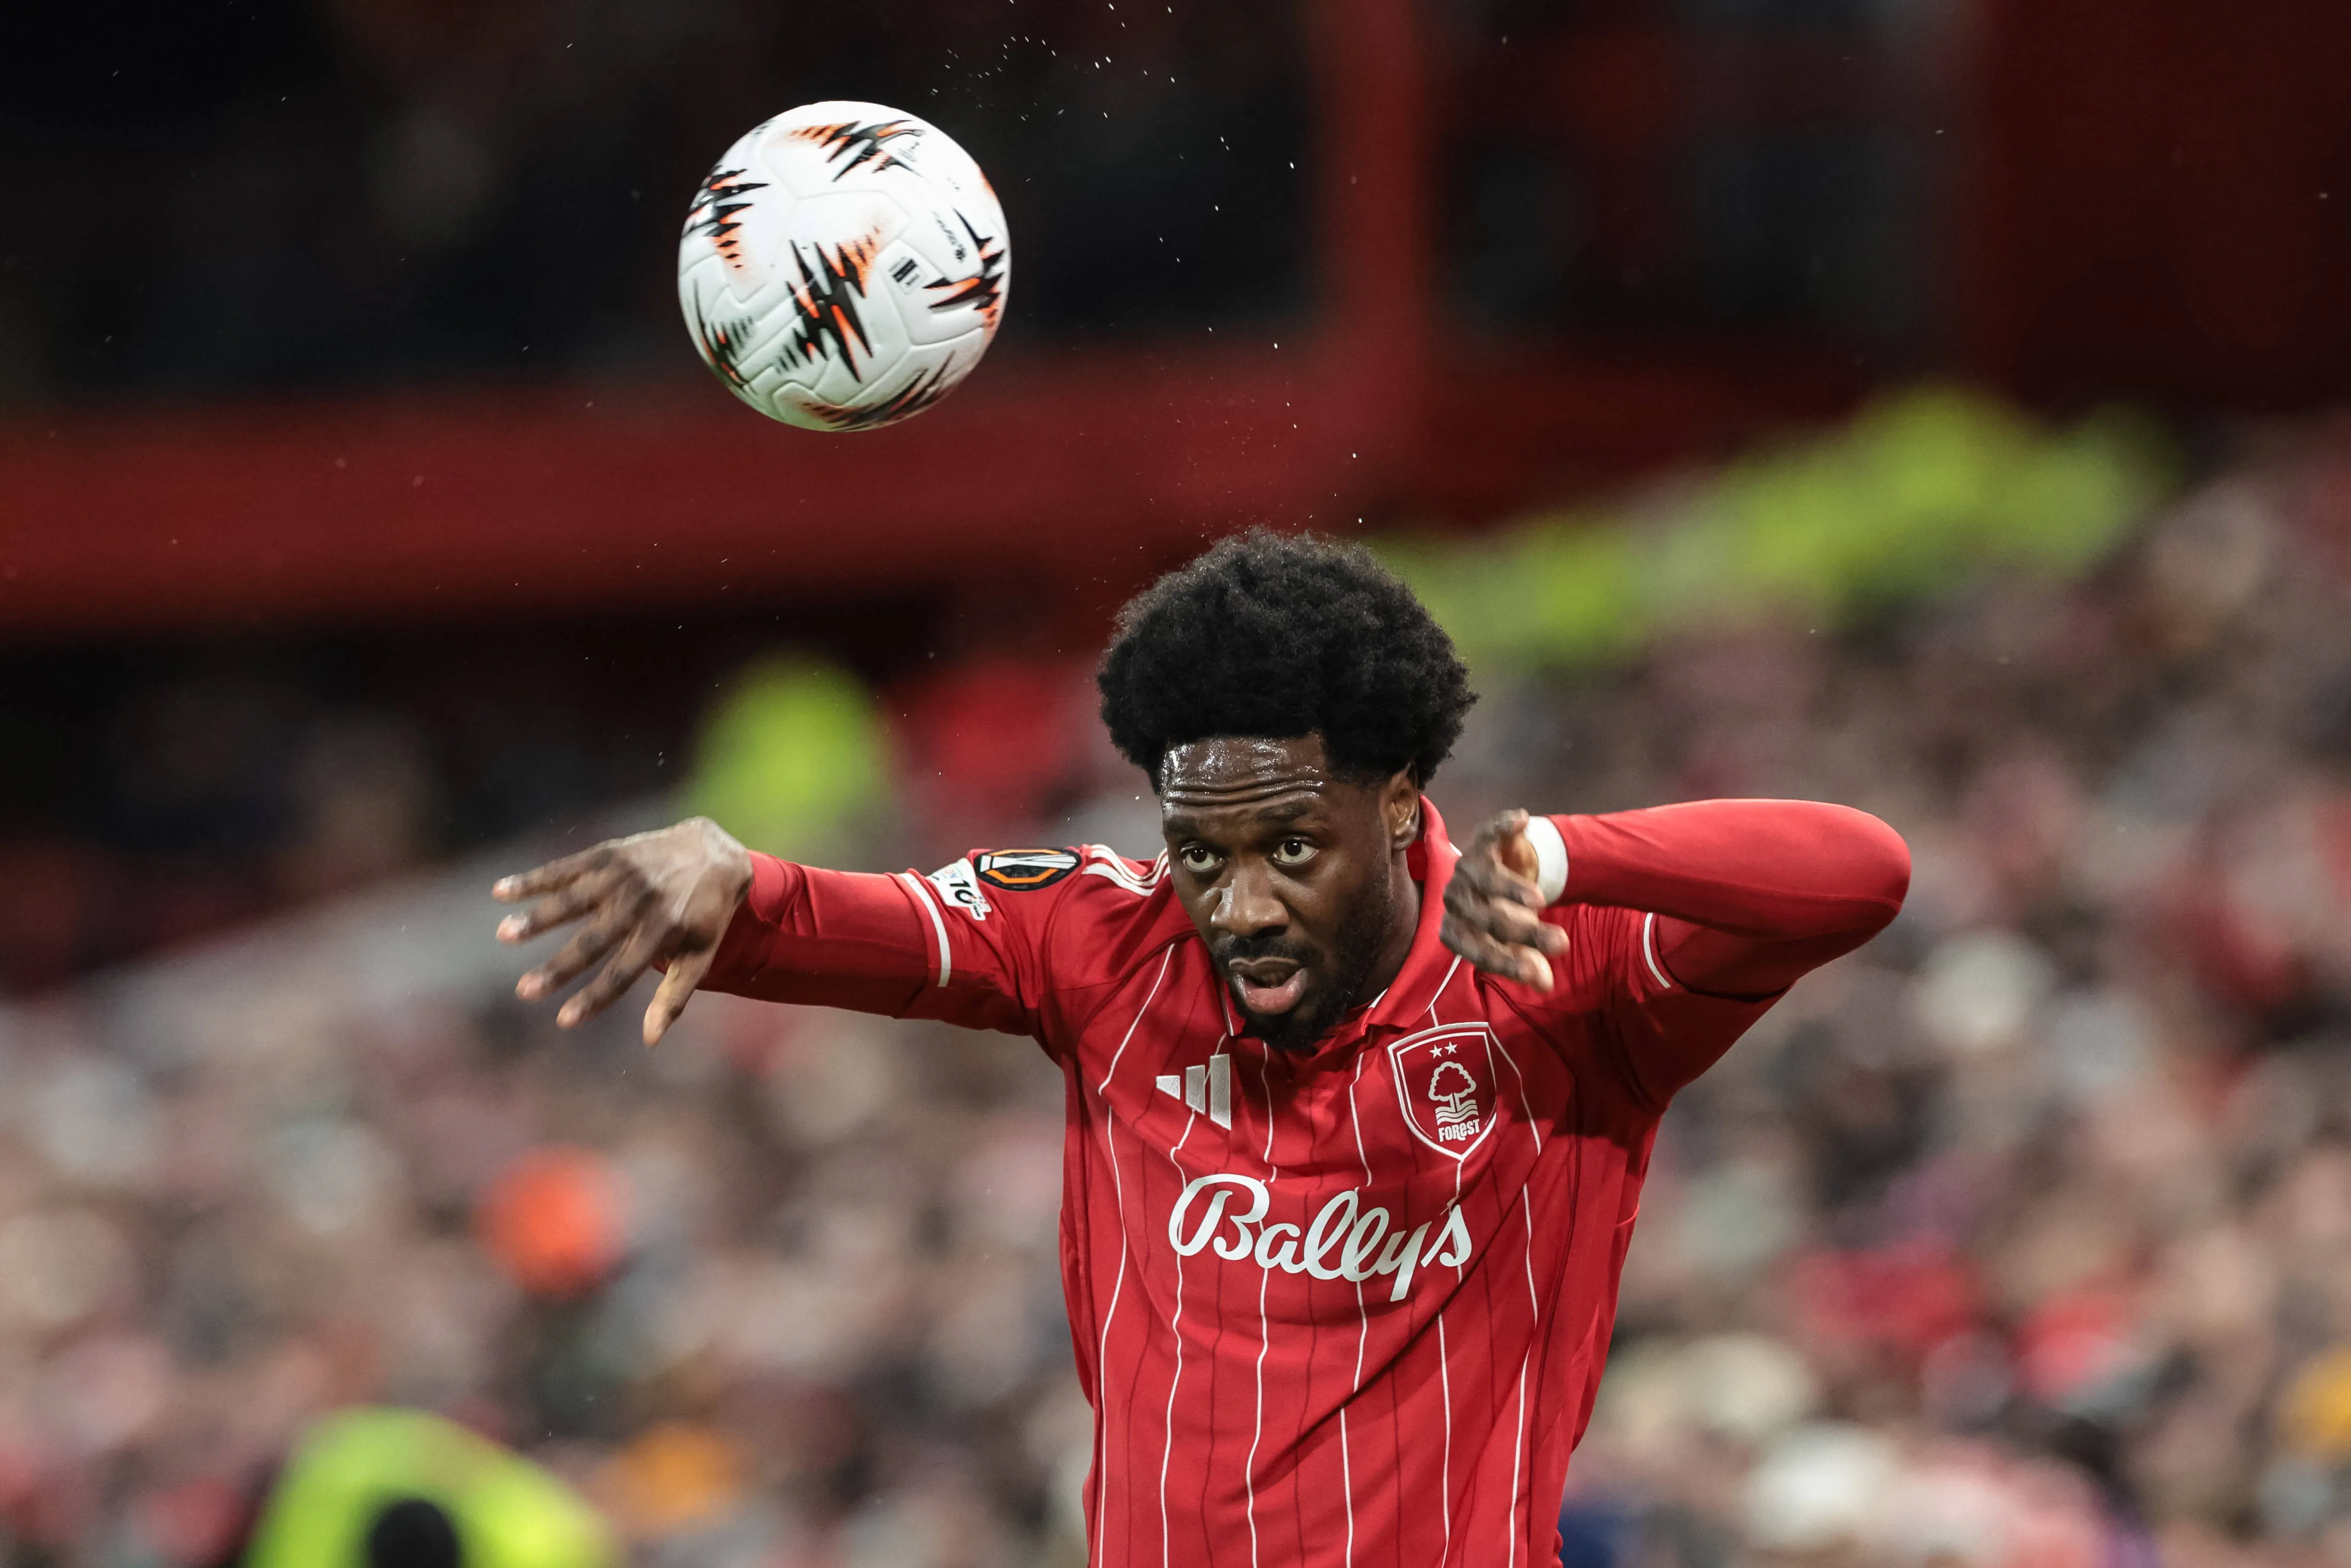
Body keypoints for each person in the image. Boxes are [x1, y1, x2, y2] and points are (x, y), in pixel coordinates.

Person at [492, 532, 1910, 1568]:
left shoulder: (1564, 979)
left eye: (1290, 846)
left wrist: (1568, 852)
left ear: (1401, 800)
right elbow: (816, 916)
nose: (1237, 905)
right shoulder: (1097, 941)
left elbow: (1860, 871)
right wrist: (725, 875)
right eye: (1197, 852)